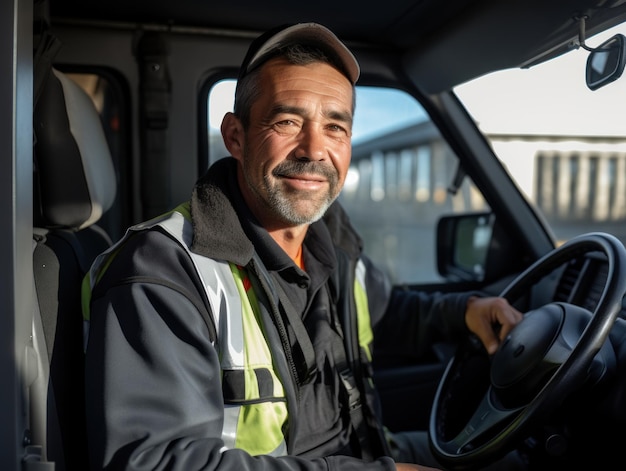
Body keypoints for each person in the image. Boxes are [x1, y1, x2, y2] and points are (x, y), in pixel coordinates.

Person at [82, 22, 525, 471]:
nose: (314, 149)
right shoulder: (164, 270)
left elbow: (383, 313)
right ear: (236, 136)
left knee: (513, 455)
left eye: (335, 127)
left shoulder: (329, 236)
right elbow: (153, 463)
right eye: (288, 122)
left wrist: (464, 311)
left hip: (369, 452)